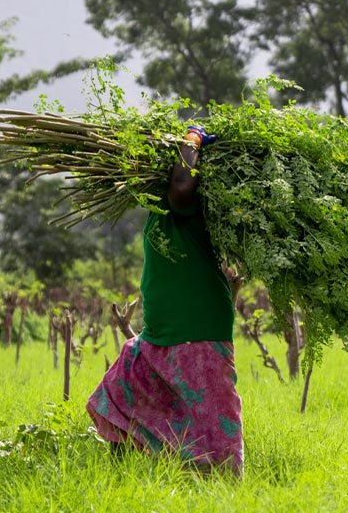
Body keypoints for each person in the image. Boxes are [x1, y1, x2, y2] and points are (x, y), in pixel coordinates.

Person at [86, 125, 243, 476]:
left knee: (213, 426)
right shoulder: (160, 210)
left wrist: (191, 140)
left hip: (198, 329)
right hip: (158, 334)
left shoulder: (187, 207)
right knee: (118, 396)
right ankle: (124, 482)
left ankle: (219, 487)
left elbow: (183, 188)